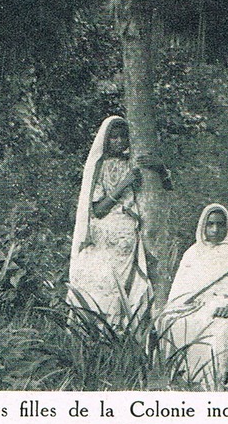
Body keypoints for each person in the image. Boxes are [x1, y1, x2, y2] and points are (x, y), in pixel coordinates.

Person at [68, 116, 171, 328]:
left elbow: (167, 190)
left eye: (124, 136)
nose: (119, 141)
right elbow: (97, 209)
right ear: (105, 140)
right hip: (105, 234)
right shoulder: (99, 167)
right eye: (113, 137)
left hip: (128, 234)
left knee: (126, 287)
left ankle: (122, 331)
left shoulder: (134, 163)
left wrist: (161, 170)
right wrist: (123, 185)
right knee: (101, 285)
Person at [159, 203, 228, 389]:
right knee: (170, 322)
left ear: (227, 226)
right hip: (199, 308)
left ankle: (210, 385)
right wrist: (184, 304)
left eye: (220, 225)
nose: (215, 229)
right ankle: (178, 380)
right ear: (202, 226)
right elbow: (180, 291)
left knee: (220, 333)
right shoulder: (192, 253)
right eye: (210, 224)